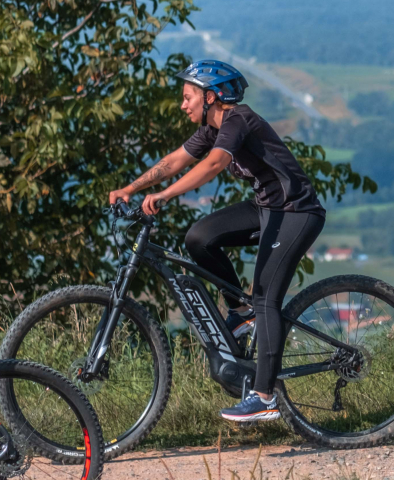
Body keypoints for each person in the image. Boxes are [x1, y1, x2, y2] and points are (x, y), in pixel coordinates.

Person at [109, 59, 326, 423]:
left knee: (266, 298)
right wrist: (131, 188)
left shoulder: (238, 120)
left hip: (297, 213)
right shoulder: (212, 128)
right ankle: (240, 313)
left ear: (210, 97)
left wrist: (163, 197)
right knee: (199, 238)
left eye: (187, 97)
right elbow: (176, 159)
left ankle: (264, 396)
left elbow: (212, 165)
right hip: (266, 208)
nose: (183, 104)